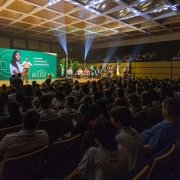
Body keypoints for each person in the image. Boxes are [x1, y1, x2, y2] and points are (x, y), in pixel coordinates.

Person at [0, 108, 49, 177]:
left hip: (9, 176)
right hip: (32, 173)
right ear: (38, 122)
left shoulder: (8, 140)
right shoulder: (44, 136)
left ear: (23, 120)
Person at [110, 106, 143, 171]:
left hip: (131, 172)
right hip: (141, 168)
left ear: (118, 121)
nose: (110, 119)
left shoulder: (119, 137)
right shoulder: (133, 130)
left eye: (111, 117)